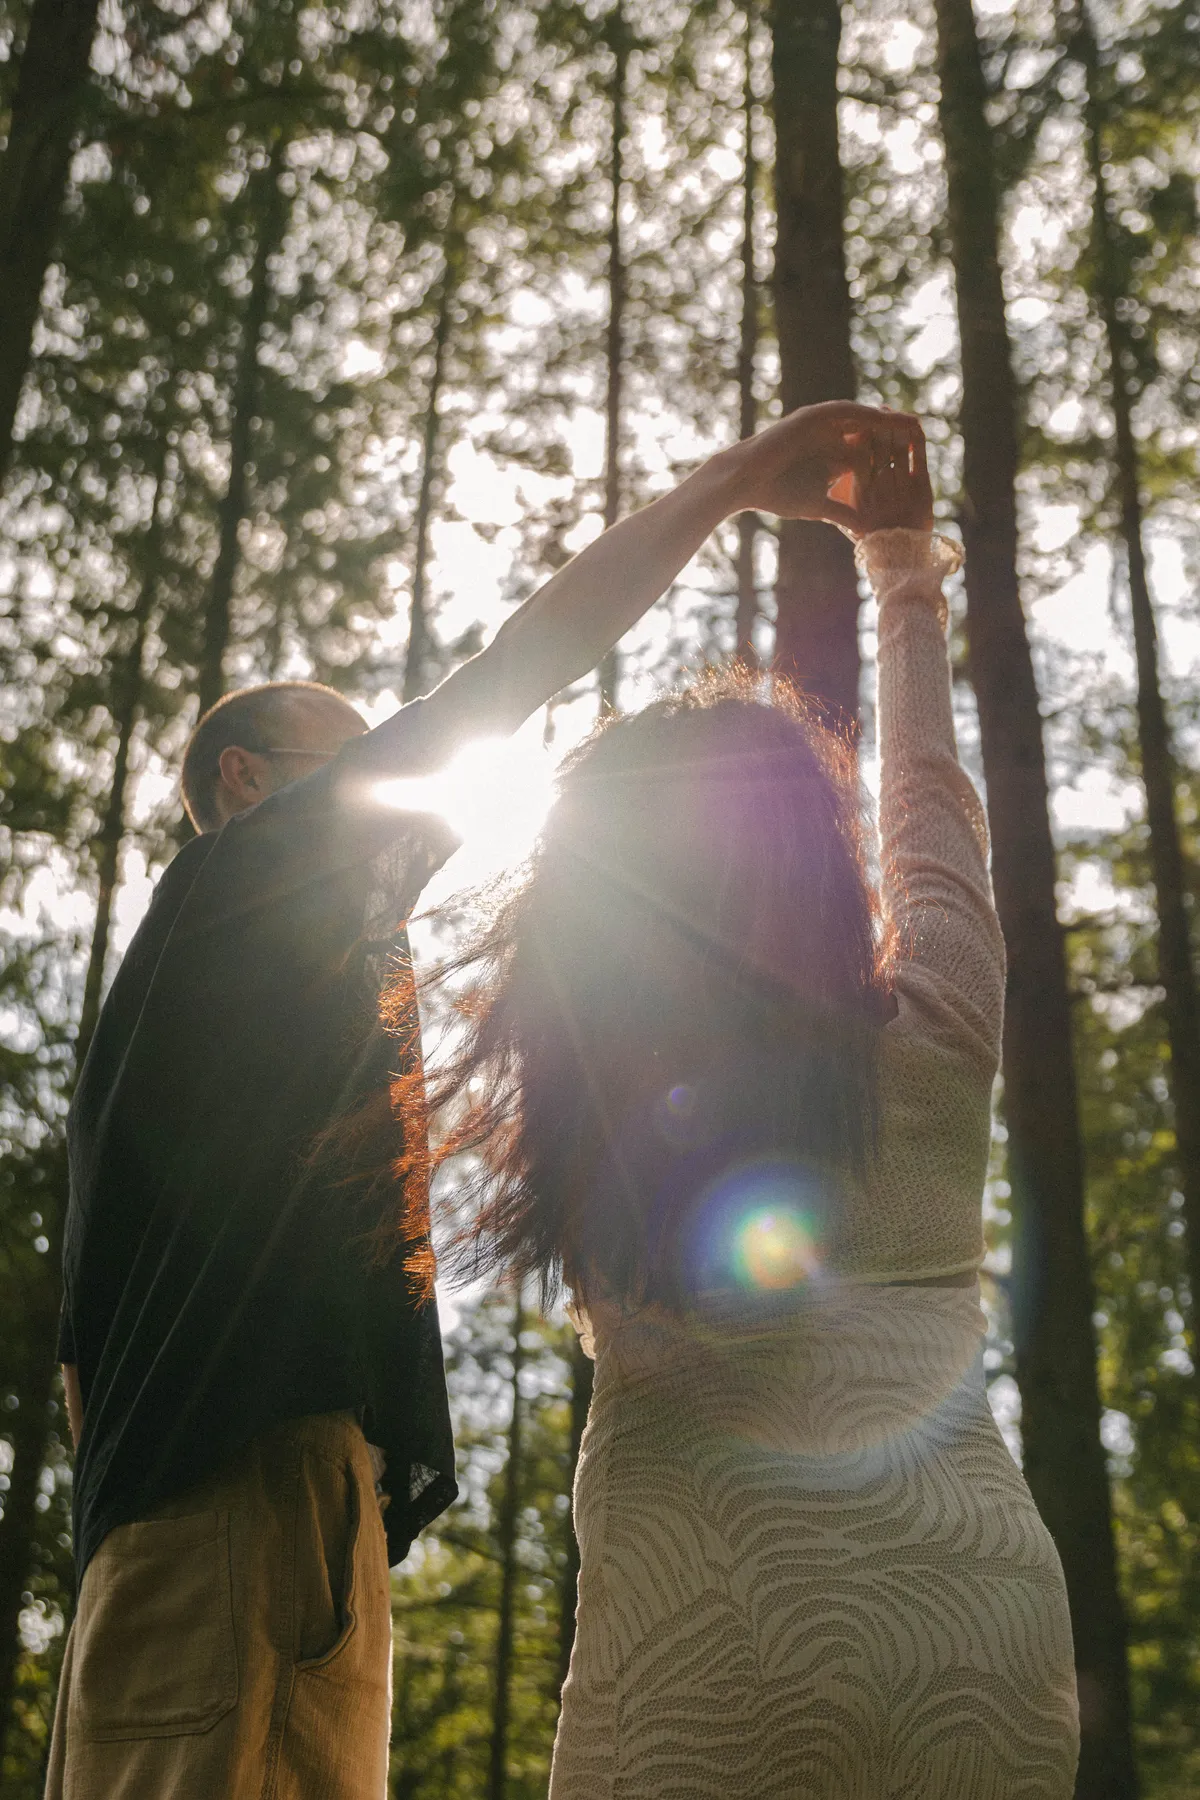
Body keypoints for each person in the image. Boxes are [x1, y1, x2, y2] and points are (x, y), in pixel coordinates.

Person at [46, 397, 887, 1800]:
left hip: (211, 1531)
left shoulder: (190, 1014)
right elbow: (511, 675)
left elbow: (81, 1375)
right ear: (247, 784)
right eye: (350, 761)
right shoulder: (248, 877)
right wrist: (732, 481)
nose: (390, 794)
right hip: (244, 1517)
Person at [417, 411, 1081, 1797]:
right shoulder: (942, 1027)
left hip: (703, 1643)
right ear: (827, 867)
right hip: (977, 1623)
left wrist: (718, 492)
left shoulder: (589, 1079)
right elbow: (933, 811)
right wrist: (902, 568)